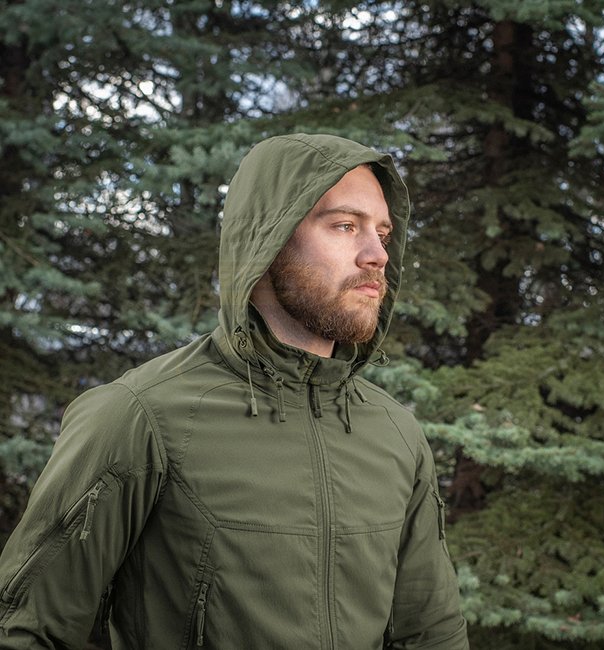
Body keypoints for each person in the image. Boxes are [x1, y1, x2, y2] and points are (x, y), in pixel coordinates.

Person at [0, 133, 469, 649]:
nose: (377, 254)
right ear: (269, 237)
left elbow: (432, 634)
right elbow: (28, 630)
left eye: (383, 232)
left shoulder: (396, 434)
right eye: (344, 226)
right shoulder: (142, 416)